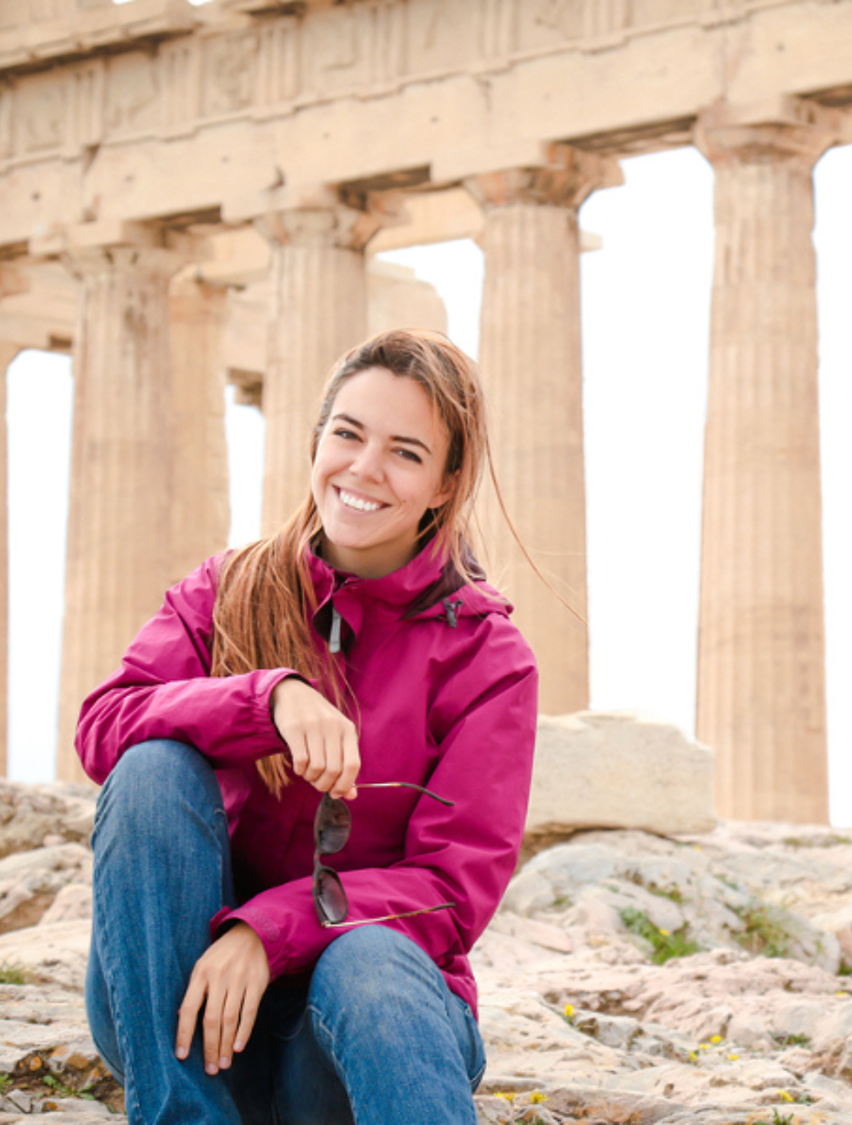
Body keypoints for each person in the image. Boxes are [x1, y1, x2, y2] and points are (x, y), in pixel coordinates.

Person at [77, 330, 538, 1124]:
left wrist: (268, 929)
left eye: (405, 452)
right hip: (182, 1015)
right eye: (348, 434)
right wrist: (265, 701)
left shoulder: (488, 659)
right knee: (152, 769)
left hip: (348, 1038)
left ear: (445, 483)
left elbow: (449, 892)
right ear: (316, 439)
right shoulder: (223, 590)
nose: (364, 468)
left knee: (371, 958)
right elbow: (103, 726)